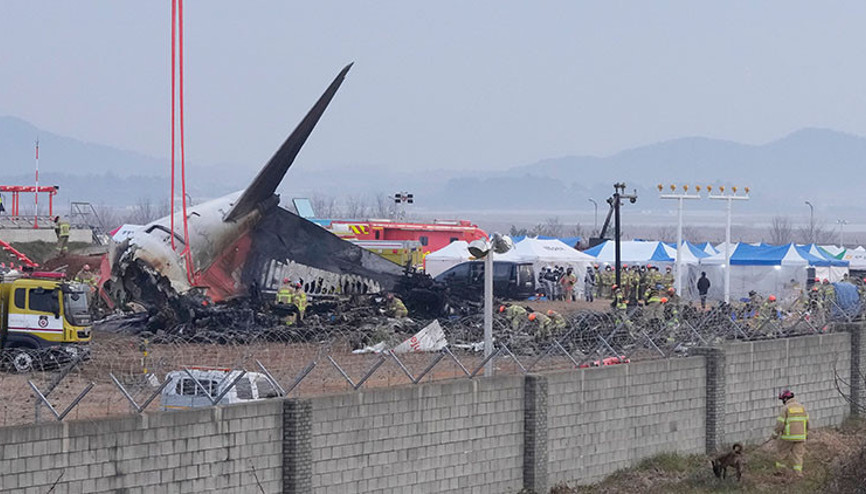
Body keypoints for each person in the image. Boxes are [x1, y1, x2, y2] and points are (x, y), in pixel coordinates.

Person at [773, 389, 809, 476]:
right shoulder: (802, 407)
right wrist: (806, 434)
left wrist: (775, 434)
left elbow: (780, 423)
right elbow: (807, 423)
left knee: (782, 454)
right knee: (798, 456)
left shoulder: (785, 408)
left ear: (785, 399)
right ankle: (798, 474)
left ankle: (780, 472)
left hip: (787, 437)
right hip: (800, 437)